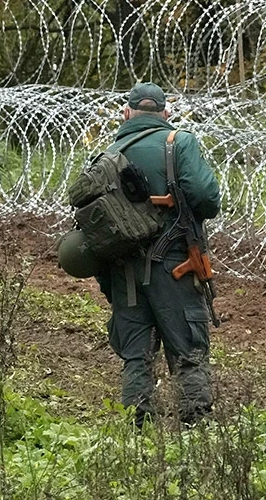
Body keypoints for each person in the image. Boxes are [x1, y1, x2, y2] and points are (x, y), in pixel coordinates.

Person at [99, 82, 222, 426]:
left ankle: (138, 432)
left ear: (127, 114)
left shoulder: (108, 154)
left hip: (123, 270)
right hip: (176, 266)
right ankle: (195, 426)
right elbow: (208, 199)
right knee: (188, 350)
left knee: (136, 355)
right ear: (165, 114)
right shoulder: (178, 143)